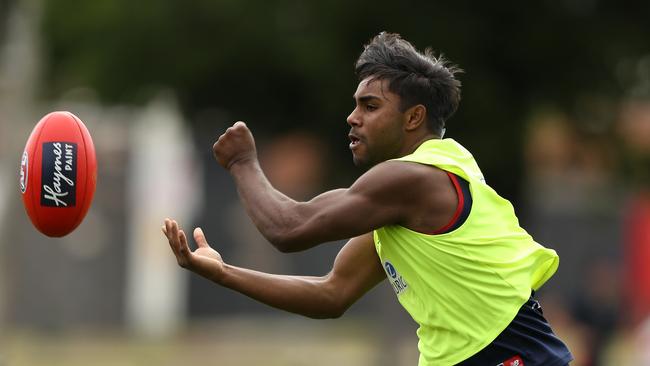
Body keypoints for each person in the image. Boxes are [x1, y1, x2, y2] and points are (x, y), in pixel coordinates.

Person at [162, 32, 573, 365]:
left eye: (370, 106)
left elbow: (290, 228)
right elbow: (332, 294)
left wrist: (243, 163)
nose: (352, 117)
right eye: (355, 104)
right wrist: (223, 273)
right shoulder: (405, 201)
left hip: (514, 357)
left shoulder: (413, 179)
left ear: (413, 118)